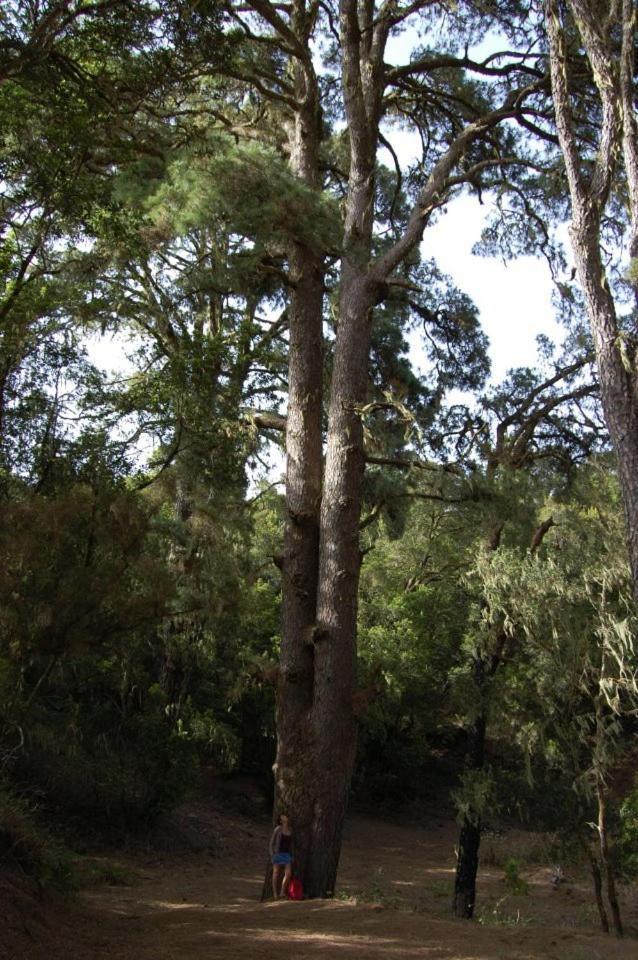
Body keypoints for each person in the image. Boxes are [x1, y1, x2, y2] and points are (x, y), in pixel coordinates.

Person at [269, 812, 293, 899]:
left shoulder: (290, 830)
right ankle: (275, 893)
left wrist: (291, 855)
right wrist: (272, 854)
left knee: (288, 873)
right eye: (282, 817)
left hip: (287, 855)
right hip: (278, 853)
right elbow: (271, 843)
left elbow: (291, 844)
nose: (284, 817)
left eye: (285, 816)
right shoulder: (278, 829)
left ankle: (282, 892)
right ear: (280, 820)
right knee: (276, 873)